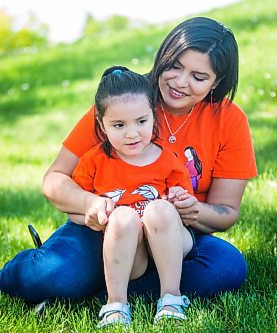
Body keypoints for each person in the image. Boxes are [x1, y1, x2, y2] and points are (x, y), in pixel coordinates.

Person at [0, 16, 257, 325]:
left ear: (217, 81)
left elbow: (226, 212)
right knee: (55, 273)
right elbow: (54, 180)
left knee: (225, 267)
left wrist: (193, 209)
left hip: (173, 238)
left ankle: (85, 296)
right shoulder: (125, 101)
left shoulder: (228, 120)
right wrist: (90, 204)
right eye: (175, 67)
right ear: (163, 56)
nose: (181, 82)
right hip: (106, 230)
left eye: (199, 77)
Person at [71, 65, 195, 326]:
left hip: (169, 244)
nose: (132, 133)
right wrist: (90, 214)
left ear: (154, 117)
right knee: (123, 217)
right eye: (119, 125)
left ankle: (171, 298)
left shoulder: (167, 159)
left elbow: (185, 207)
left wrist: (178, 199)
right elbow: (76, 207)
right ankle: (116, 304)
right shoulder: (94, 162)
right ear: (101, 126)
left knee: (159, 210)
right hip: (131, 255)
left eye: (141, 121)